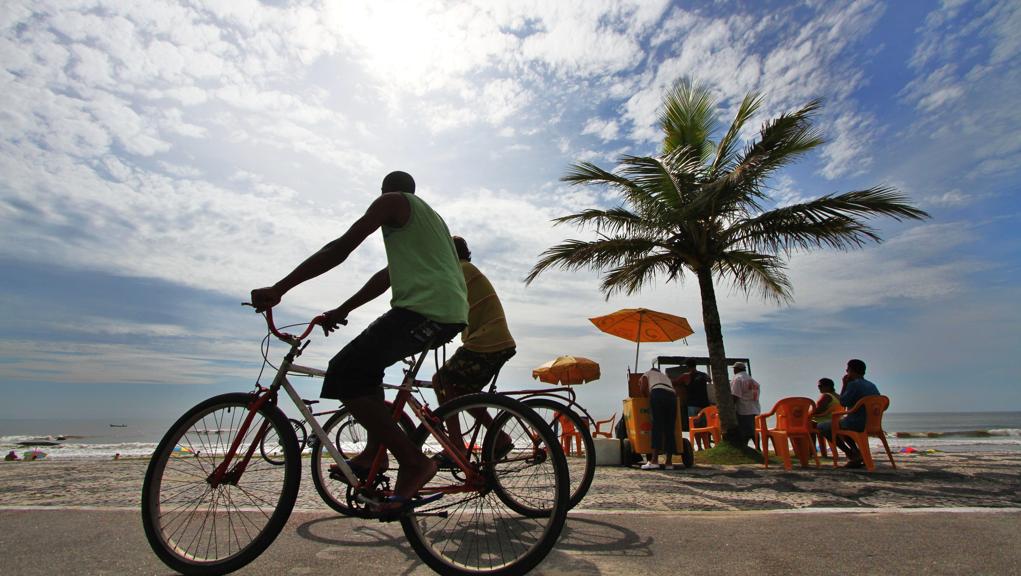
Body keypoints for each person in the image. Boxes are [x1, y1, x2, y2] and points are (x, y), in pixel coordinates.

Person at [250, 170, 468, 514]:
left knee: (343, 371)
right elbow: (385, 277)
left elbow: (339, 249)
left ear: (385, 191)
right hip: (446, 311)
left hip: (425, 310)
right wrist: (343, 309)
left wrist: (280, 288)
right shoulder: (430, 221)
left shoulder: (392, 202)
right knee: (366, 373)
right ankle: (373, 454)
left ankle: (413, 462)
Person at [431, 236, 516, 460]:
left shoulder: (460, 270)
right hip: (496, 341)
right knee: (462, 395)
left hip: (487, 341)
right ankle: (500, 437)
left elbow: (442, 305)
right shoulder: (467, 270)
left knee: (441, 380)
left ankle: (456, 446)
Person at [815, 359, 881, 468]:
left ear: (851, 370)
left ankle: (851, 454)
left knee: (822, 426)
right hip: (871, 423)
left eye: (848, 369)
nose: (846, 371)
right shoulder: (872, 385)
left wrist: (845, 384)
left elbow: (843, 402)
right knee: (842, 425)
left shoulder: (853, 385)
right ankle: (857, 453)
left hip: (856, 423)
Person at [640, 366, 677, 469]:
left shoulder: (647, 373)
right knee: (670, 428)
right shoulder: (665, 377)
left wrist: (647, 398)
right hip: (672, 396)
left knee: (657, 426)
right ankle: (669, 463)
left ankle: (654, 461)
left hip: (657, 393)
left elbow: (643, 388)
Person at [729, 362, 761, 449]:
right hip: (755, 409)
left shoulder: (737, 379)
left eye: (734, 369)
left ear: (736, 369)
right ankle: (757, 448)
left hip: (744, 409)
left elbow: (735, 395)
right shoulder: (753, 380)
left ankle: (747, 449)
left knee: (744, 432)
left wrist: (730, 407)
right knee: (754, 430)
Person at [810, 378, 841, 457]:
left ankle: (810, 451)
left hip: (825, 422)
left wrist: (807, 413)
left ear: (828, 386)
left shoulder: (826, 396)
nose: (819, 388)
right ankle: (820, 452)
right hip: (836, 420)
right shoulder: (839, 396)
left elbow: (818, 410)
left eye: (820, 386)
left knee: (807, 424)